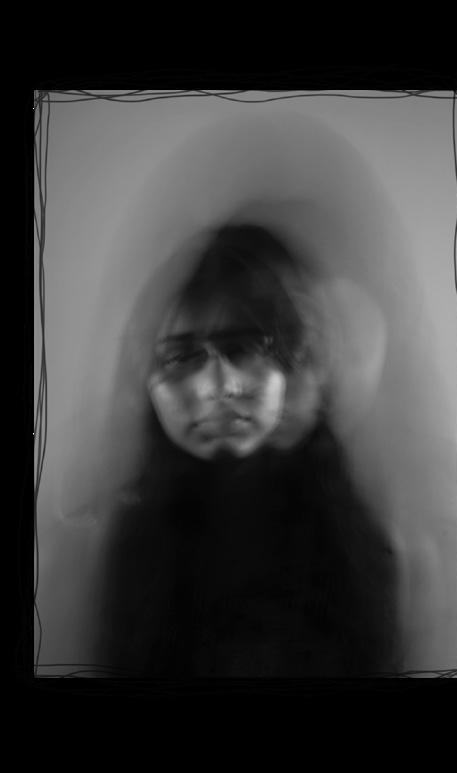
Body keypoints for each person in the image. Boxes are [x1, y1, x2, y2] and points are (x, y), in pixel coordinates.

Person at [92, 223, 402, 678]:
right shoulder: (129, 541)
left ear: (298, 360)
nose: (217, 388)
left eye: (244, 348)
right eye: (180, 357)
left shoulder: (352, 545)